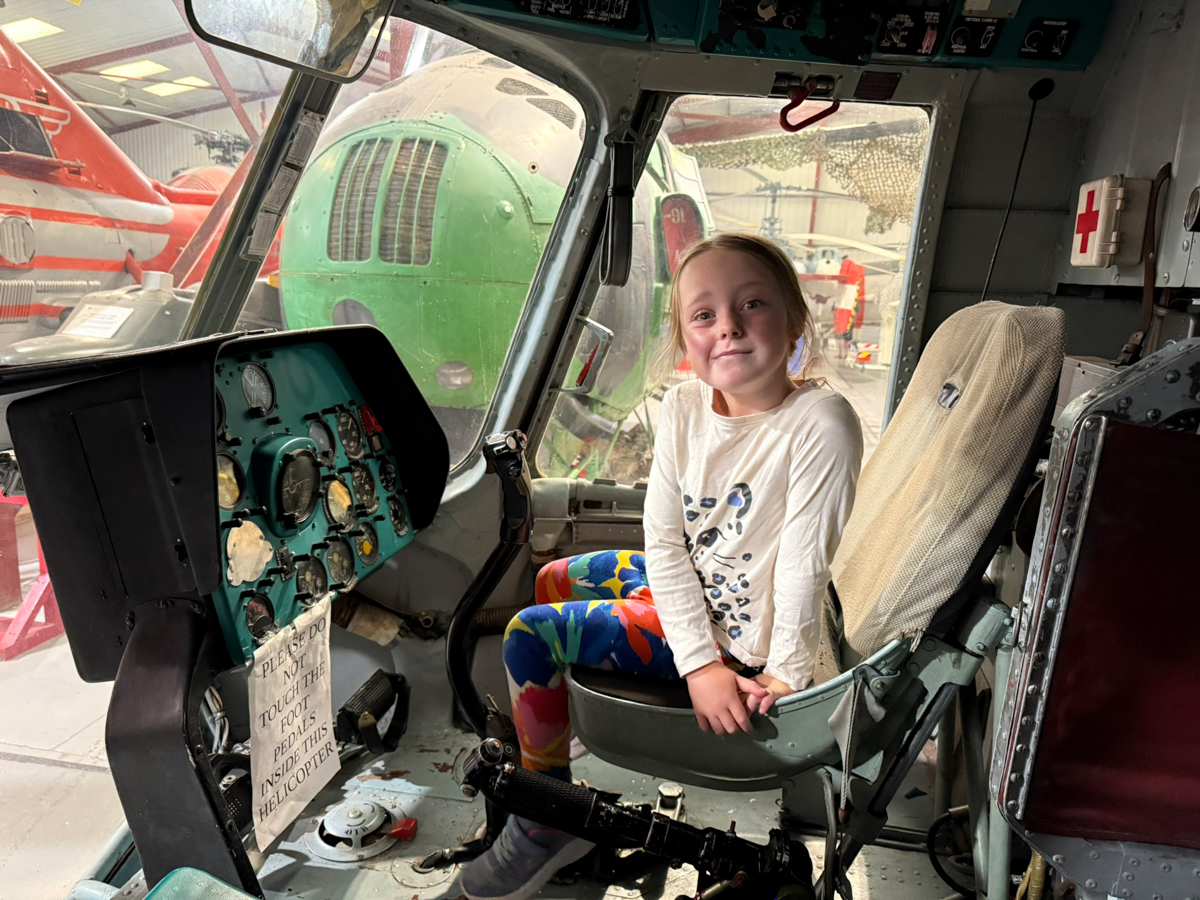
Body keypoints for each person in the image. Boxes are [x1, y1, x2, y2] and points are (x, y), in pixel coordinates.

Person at [461, 233, 863, 900]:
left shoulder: (819, 423)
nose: (727, 326)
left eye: (752, 304)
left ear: (795, 319)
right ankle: (555, 744)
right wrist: (689, 644)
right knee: (554, 578)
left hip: (738, 640)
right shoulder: (683, 407)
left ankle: (547, 821)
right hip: (694, 595)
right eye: (704, 314)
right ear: (685, 338)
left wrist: (735, 669)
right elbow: (666, 542)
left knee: (528, 635)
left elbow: (804, 563)